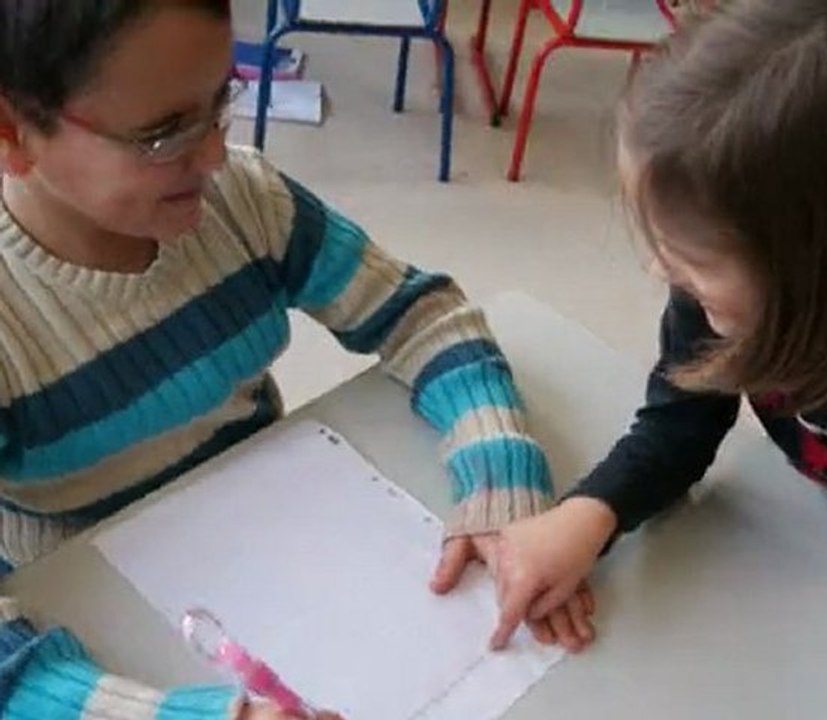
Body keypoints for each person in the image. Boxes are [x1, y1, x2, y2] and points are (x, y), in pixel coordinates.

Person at [0, 1, 591, 716]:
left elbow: (422, 316)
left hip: (285, 540)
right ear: (13, 133)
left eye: (222, 100)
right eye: (163, 134)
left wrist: (499, 480)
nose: (216, 154)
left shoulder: (245, 201)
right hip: (93, 608)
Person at [487, 0, 827, 650]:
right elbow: (682, 421)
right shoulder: (717, 294)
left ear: (823, 276)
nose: (660, 269)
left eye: (691, 260)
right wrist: (589, 513)